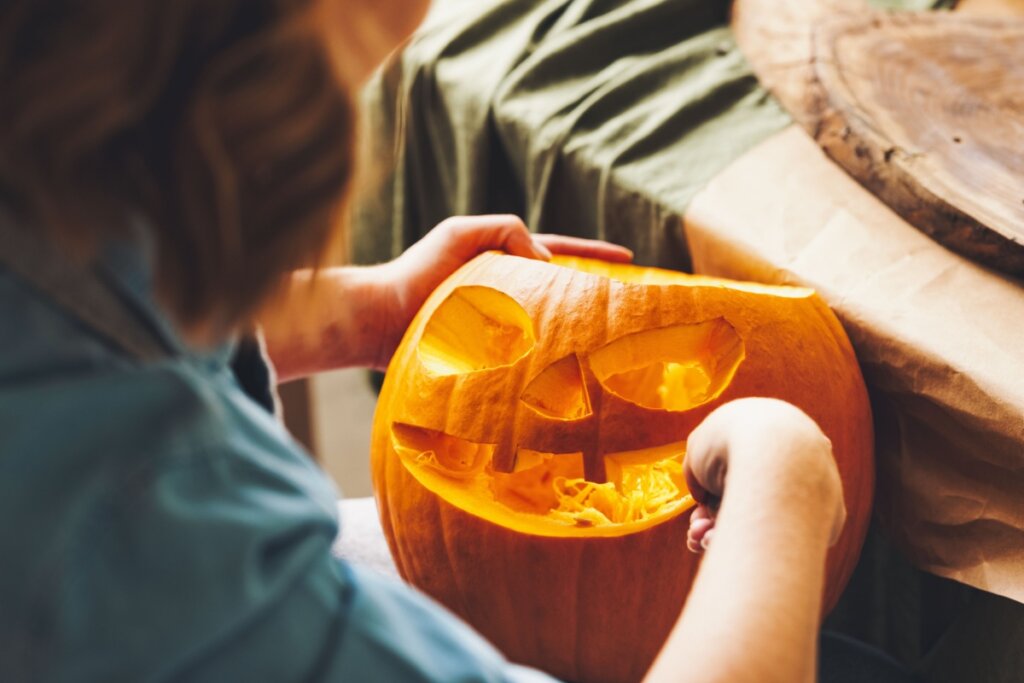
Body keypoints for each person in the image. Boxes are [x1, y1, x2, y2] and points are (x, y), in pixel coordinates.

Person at [0, 1, 881, 682]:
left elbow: (104, 295)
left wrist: (368, 308)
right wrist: (785, 488)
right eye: (348, 84)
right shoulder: (152, 520)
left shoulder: (40, 180)